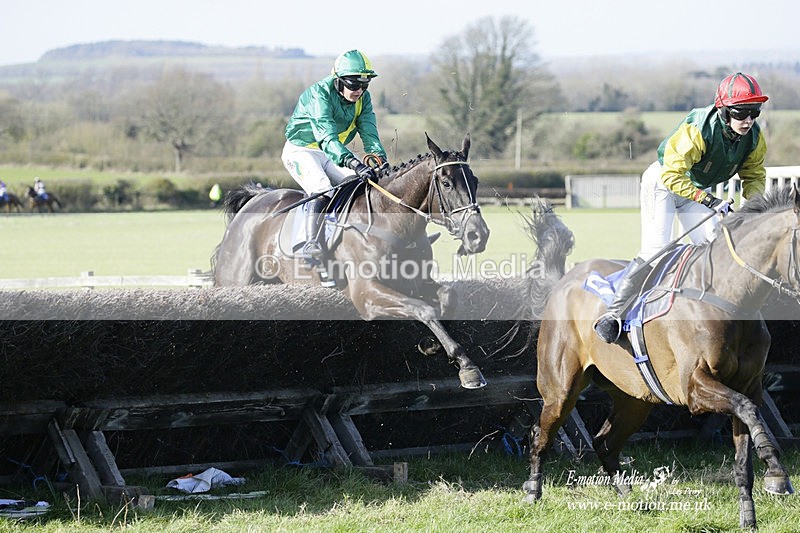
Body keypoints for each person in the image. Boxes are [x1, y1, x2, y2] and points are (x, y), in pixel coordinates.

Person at [593, 72, 769, 343]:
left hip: (695, 190)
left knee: (714, 248)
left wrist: (754, 212)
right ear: (724, 111)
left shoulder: (753, 137)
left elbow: (754, 176)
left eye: (754, 112)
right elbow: (673, 177)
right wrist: (710, 201)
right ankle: (613, 314)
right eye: (741, 112)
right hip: (663, 183)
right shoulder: (698, 129)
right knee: (657, 250)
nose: (748, 120)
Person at [281, 49, 389, 263]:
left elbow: (368, 130)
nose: (359, 90)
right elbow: (327, 136)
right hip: (302, 150)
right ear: (338, 81)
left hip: (330, 152)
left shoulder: (363, 98)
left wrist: (379, 157)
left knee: (362, 184)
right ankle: (310, 243)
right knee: (321, 187)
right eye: (354, 85)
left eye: (365, 85)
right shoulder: (318, 94)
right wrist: (353, 162)